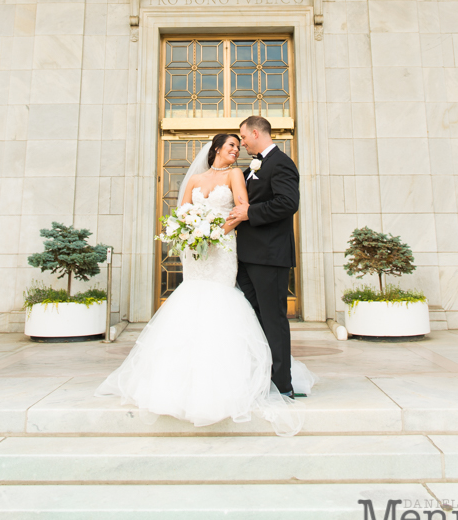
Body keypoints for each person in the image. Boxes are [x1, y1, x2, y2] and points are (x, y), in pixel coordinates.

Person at [94, 132, 312, 433]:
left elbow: (240, 210)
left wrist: (214, 234)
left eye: (240, 144)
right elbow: (181, 213)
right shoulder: (195, 180)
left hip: (220, 249)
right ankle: (178, 379)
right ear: (216, 149)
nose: (237, 149)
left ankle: (238, 379)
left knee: (222, 305)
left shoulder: (238, 174)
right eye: (232, 145)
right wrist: (186, 234)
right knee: (190, 305)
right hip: (196, 253)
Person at [224, 115, 299, 397]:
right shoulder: (253, 167)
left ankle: (283, 385)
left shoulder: (281, 163)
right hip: (246, 257)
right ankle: (260, 376)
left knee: (273, 319)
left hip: (270, 257)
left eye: (243, 137)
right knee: (254, 318)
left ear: (256, 133)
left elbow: (288, 203)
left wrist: (250, 213)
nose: (241, 143)